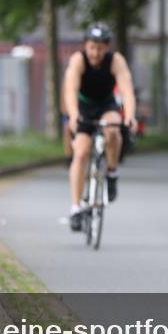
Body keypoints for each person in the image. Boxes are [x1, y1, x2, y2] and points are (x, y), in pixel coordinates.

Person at [63, 23, 136, 231]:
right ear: (86, 45)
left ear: (107, 47)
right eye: (92, 47)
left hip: (106, 104)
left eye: (100, 48)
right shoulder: (78, 60)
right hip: (83, 107)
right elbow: (70, 91)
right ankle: (76, 208)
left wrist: (130, 115)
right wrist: (74, 115)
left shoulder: (116, 61)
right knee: (81, 152)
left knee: (113, 129)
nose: (95, 53)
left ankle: (112, 172)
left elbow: (127, 90)